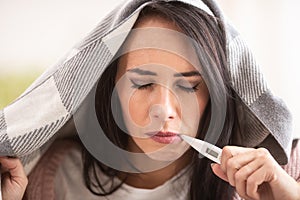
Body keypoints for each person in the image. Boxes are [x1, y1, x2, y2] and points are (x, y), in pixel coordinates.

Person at [1, 1, 300, 200]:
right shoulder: (47, 177)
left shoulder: (275, 177)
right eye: (143, 83)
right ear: (110, 86)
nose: (165, 111)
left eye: (189, 87)